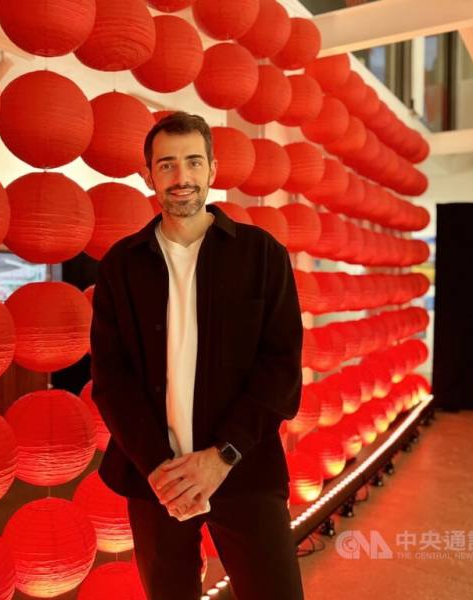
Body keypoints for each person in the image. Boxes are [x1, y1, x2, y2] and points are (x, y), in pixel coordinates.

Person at [90, 112, 305, 600]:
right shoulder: (120, 266)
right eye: (166, 165)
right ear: (148, 175)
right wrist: (158, 468)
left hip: (244, 469)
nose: (181, 178)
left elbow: (280, 371)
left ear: (212, 169)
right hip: (155, 480)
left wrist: (222, 455)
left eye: (192, 162)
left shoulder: (262, 255)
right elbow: (112, 377)